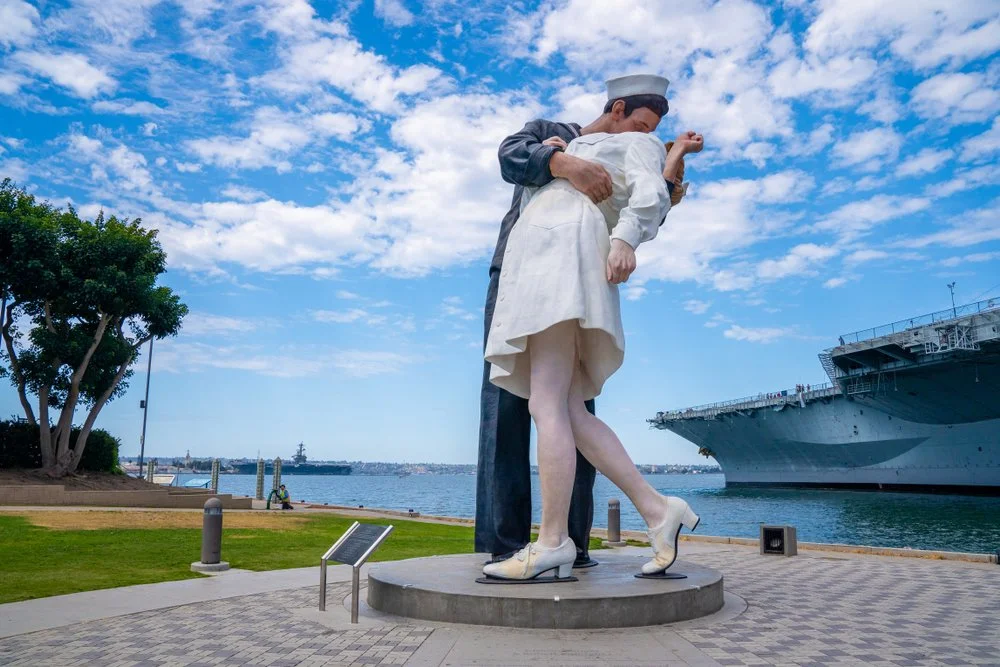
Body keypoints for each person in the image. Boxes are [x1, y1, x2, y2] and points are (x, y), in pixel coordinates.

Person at [482, 74, 705, 581]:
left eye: (652, 130)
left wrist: (625, 238)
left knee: (546, 403)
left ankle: (554, 540)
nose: (645, 133)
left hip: (559, 253)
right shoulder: (569, 139)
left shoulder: (634, 142)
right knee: (566, 407)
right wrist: (561, 154)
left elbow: (650, 193)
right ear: (619, 107)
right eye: (642, 122)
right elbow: (514, 154)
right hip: (543, 254)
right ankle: (656, 510)